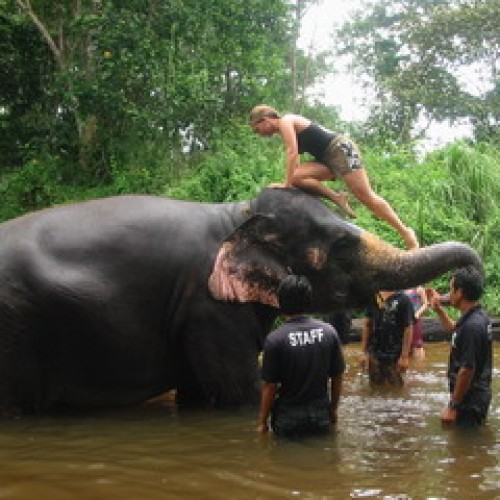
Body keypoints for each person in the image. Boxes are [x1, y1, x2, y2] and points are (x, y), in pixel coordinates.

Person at [249, 104, 419, 249]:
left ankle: (405, 231)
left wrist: (285, 185)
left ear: (265, 120)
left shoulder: (286, 121)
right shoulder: (285, 129)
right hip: (325, 158)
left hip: (340, 150)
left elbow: (292, 152)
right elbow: (297, 159)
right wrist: (291, 183)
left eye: (258, 129)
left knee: (366, 196)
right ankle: (337, 198)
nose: (260, 134)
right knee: (297, 177)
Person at [257, 275, 345, 438]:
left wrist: (262, 422)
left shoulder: (275, 339)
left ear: (280, 301)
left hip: (288, 420)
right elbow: (337, 377)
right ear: (309, 300)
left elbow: (270, 386)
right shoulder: (329, 332)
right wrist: (333, 410)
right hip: (320, 417)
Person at [426, 266, 493, 427]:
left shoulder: (472, 326)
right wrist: (439, 310)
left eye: (451, 290)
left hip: (470, 400)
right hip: (474, 396)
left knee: (466, 444)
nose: (448, 295)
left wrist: (453, 407)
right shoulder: (476, 317)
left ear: (460, 293)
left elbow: (467, 369)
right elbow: (454, 329)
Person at [359, 290, 414, 386]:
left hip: (395, 354)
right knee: (374, 387)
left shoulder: (403, 299)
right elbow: (367, 325)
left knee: (396, 387)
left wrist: (404, 356)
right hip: (374, 353)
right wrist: (363, 352)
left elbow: (408, 328)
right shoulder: (373, 298)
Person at [405, 286, 428, 358]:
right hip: (404, 321)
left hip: (415, 321)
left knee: (417, 344)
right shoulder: (400, 289)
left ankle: (419, 366)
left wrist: (418, 313)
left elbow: (425, 304)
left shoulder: (419, 289)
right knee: (404, 344)